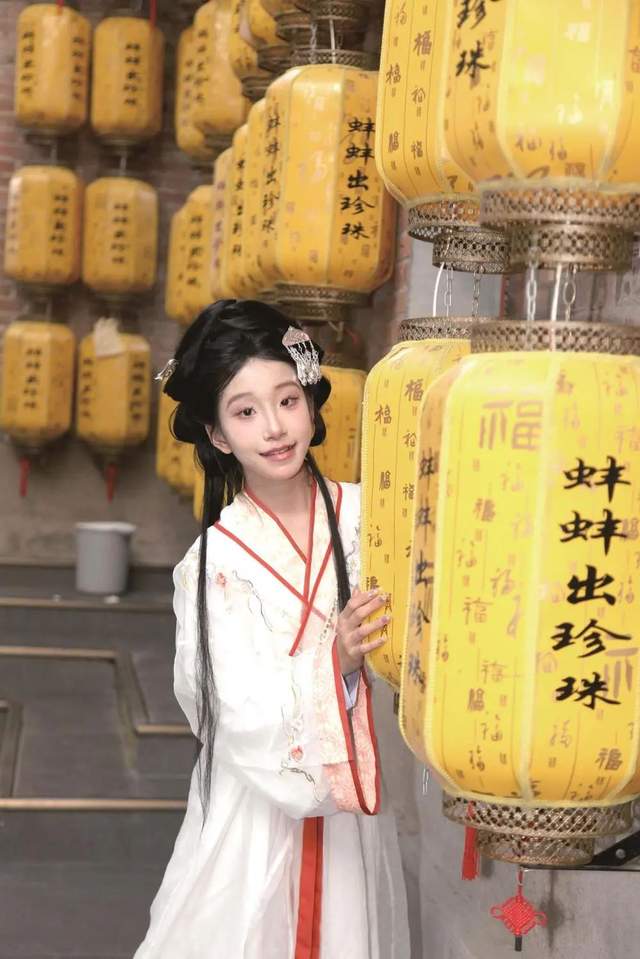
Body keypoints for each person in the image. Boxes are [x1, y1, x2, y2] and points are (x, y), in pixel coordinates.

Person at [134, 299, 410, 958]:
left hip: (353, 816)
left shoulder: (373, 520)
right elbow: (227, 710)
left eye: (287, 400)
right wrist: (334, 663)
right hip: (252, 820)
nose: (275, 427)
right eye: (245, 412)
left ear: (311, 400)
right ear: (217, 434)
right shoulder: (213, 564)